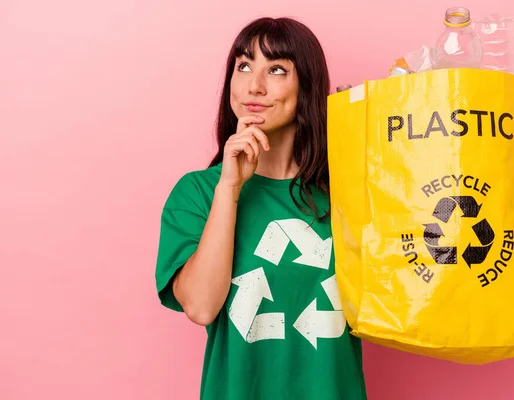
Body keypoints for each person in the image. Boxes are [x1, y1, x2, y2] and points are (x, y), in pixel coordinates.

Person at [155, 16, 367, 400]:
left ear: (307, 86)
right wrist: (230, 187)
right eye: (244, 65)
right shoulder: (198, 194)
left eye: (277, 70)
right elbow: (201, 308)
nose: (255, 85)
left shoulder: (349, 190)